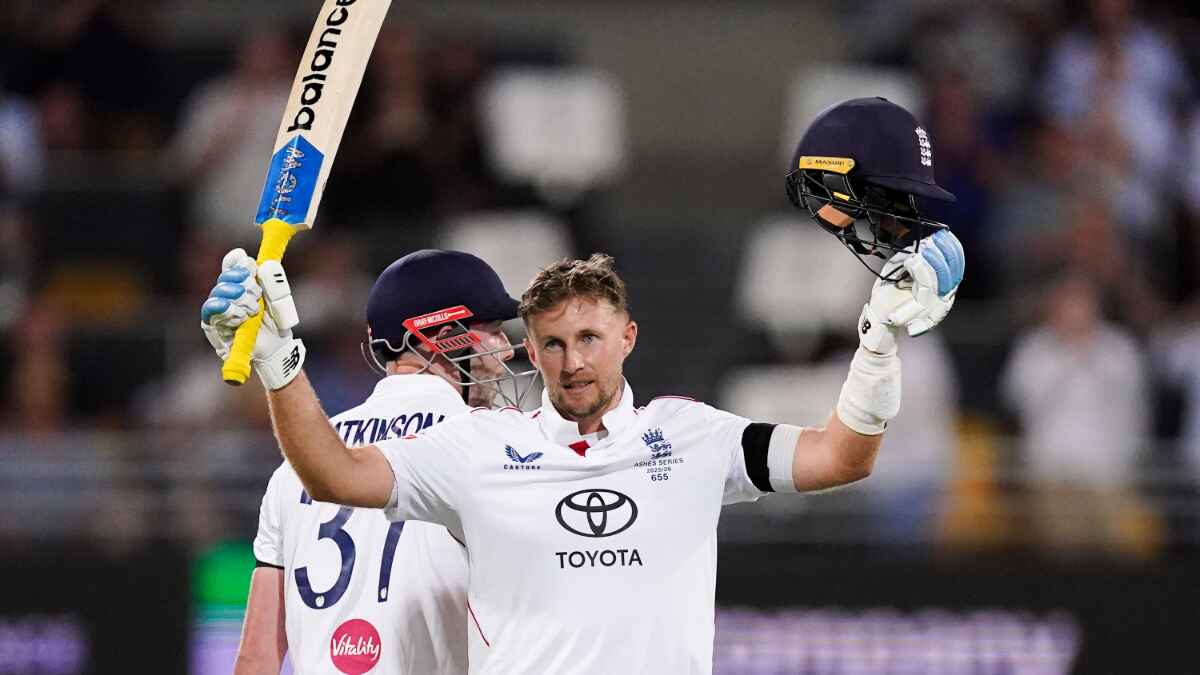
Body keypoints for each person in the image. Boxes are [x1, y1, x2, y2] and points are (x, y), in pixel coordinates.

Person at [203, 97, 964, 673]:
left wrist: (877, 342)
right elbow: (333, 474)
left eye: (590, 339)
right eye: (552, 344)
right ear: (534, 350)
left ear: (628, 339)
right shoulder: (478, 445)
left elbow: (843, 456)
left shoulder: (692, 434)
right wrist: (280, 366)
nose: (571, 362)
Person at [203, 248, 536, 674]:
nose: (506, 350)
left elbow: (256, 659)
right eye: (491, 330)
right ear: (443, 336)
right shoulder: (489, 445)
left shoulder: (294, 466)